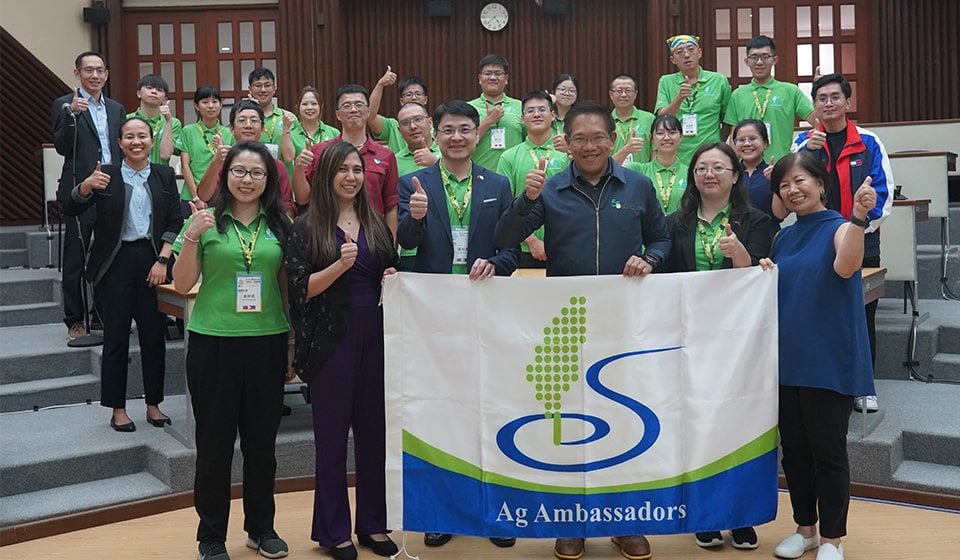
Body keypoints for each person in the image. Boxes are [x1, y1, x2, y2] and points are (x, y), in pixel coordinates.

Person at [495, 100, 669, 560]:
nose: (589, 146)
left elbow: (663, 238)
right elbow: (504, 237)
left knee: (626, 418)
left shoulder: (639, 185)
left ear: (612, 139)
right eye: (579, 138)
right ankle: (571, 519)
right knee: (570, 422)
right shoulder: (549, 189)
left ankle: (624, 520)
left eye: (597, 137)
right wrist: (526, 200)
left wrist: (650, 259)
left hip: (623, 325)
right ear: (565, 143)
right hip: (565, 324)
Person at [397, 100, 519, 549]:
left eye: (465, 129)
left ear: (476, 134)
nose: (456, 137)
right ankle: (440, 512)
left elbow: (512, 248)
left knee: (492, 408)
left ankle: (497, 512)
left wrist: (496, 264)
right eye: (447, 129)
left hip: (488, 309)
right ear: (434, 132)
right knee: (440, 411)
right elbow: (404, 247)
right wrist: (413, 218)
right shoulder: (414, 182)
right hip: (435, 316)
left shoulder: (498, 183)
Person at [172, 141, 294, 560]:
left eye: (256, 173)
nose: (247, 180)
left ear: (269, 180)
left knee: (262, 445)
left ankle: (261, 528)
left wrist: (291, 345)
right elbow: (184, 284)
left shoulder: (280, 224)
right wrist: (190, 238)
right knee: (215, 446)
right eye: (239, 171)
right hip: (213, 344)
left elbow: (285, 288)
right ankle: (211, 536)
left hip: (267, 342)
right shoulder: (206, 221)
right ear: (225, 176)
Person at [760, 151, 877, 560]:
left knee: (828, 452)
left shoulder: (841, 227)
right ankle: (805, 529)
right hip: (788, 360)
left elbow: (846, 266)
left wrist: (861, 218)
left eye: (799, 181)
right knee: (794, 452)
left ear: (821, 183)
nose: (792, 190)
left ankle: (832, 539)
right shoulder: (785, 235)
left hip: (828, 360)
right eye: (784, 185)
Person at [286, 141, 399, 560]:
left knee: (374, 435)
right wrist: (338, 266)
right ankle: (333, 531)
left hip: (377, 337)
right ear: (327, 174)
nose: (351, 177)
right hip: (332, 341)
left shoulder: (373, 222)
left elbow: (391, 270)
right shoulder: (307, 225)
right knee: (331, 439)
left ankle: (373, 523)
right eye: (343, 169)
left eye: (357, 169)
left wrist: (389, 273)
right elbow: (300, 291)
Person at [661, 142, 770, 548]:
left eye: (719, 167)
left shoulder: (756, 221)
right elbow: (666, 280)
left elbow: (762, 278)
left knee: (739, 425)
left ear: (736, 174)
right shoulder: (675, 223)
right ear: (692, 176)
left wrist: (740, 254)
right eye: (702, 167)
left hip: (740, 342)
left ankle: (741, 514)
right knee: (696, 424)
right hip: (688, 339)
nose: (710, 174)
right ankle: (704, 513)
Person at [63, 117, 182, 431]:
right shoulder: (107, 174)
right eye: (129, 137)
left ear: (151, 141)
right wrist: (85, 187)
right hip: (115, 263)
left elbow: (174, 220)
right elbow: (71, 209)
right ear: (119, 143)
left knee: (154, 338)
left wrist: (162, 260)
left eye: (142, 136)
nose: (136, 142)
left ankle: (153, 404)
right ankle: (117, 409)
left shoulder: (165, 174)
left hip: (153, 260)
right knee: (116, 338)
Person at [792, 73, 893, 413]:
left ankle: (864, 387)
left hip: (862, 242)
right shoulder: (803, 145)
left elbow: (883, 195)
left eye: (836, 97)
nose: (829, 103)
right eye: (822, 98)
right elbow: (791, 190)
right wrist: (807, 152)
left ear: (848, 102)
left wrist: (853, 230)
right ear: (814, 105)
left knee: (861, 315)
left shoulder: (868, 141)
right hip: (813, 246)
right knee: (821, 313)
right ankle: (828, 382)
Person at [51, 51, 125, 340]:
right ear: (77, 74)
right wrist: (73, 115)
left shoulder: (117, 109)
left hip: (111, 186)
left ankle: (100, 316)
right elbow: (61, 146)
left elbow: (117, 146)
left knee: (107, 254)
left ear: (106, 74)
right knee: (75, 257)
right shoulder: (64, 105)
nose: (94, 76)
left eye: (99, 70)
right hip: (79, 188)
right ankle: (74, 319)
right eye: (88, 70)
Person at [294, 84, 399, 241]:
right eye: (347, 106)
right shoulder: (320, 152)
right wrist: (299, 168)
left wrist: (390, 246)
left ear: (369, 111)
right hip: (326, 237)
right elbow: (303, 199)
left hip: (371, 238)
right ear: (338, 114)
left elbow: (391, 206)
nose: (353, 110)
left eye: (359, 104)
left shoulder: (386, 156)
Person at [496, 91, 568, 268]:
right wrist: (532, 241)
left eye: (542, 109)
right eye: (530, 111)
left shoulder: (568, 153)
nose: (536, 114)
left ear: (552, 116)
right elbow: (505, 205)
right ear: (522, 119)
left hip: (564, 245)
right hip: (523, 248)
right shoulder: (509, 157)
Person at [196, 100, 296, 217]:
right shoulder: (222, 163)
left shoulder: (277, 166)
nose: (248, 125)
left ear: (262, 129)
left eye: (254, 121)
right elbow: (204, 196)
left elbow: (286, 207)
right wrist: (215, 162)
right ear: (231, 129)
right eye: (242, 120)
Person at [724, 35, 815, 162]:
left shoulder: (790, 91)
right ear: (746, 61)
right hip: (747, 171)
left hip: (781, 167)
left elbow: (817, 121)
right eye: (754, 57)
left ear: (775, 60)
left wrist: (820, 91)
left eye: (765, 56)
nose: (759, 62)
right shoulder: (737, 95)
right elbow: (734, 139)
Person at [655, 35, 732, 165]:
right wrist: (680, 97)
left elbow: (728, 119)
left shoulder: (719, 80)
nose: (686, 55)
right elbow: (662, 118)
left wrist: (719, 142)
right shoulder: (666, 81)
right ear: (673, 59)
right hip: (677, 155)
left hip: (710, 154)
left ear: (700, 52)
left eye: (691, 49)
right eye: (679, 52)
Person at [176, 85, 235, 217]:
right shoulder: (188, 131)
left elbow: (231, 166)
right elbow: (185, 166)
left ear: (220, 105)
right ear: (197, 106)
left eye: (215, 102)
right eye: (205, 102)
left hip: (221, 196)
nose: (210, 106)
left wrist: (222, 148)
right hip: (191, 195)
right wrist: (196, 197)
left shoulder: (229, 133)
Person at [468, 54, 525, 171]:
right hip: (478, 175)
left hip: (513, 176)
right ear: (479, 79)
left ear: (506, 79)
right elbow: (463, 142)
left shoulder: (521, 106)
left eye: (498, 74)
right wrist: (488, 121)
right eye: (488, 73)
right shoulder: (468, 108)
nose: (493, 77)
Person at [624, 114, 688, 214]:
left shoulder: (690, 172)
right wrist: (625, 150)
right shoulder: (639, 170)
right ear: (651, 139)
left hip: (682, 228)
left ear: (681, 137)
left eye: (672, 132)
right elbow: (607, 169)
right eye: (660, 133)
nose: (666, 137)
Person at [366, 66, 433, 154]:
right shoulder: (392, 126)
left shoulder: (439, 128)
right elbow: (370, 115)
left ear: (425, 99)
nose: (413, 97)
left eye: (418, 94)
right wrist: (380, 84)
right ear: (401, 101)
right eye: (409, 94)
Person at [282, 86, 339, 180]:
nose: (309, 108)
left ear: (321, 106)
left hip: (328, 188)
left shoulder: (334, 133)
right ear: (297, 108)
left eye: (314, 103)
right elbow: (288, 158)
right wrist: (285, 128)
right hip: (299, 187)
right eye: (304, 104)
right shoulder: (291, 134)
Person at [126, 74, 182, 165]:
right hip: (131, 173)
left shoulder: (173, 123)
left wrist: (168, 121)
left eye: (159, 90)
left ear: (165, 98)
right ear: (139, 93)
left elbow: (166, 155)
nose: (154, 92)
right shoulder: (127, 120)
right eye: (149, 88)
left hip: (160, 174)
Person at [246, 67, 297, 165]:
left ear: (274, 89)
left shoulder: (288, 118)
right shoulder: (245, 118)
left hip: (283, 177)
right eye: (258, 85)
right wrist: (252, 110)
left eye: (267, 85)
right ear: (250, 89)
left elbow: (291, 156)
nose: (263, 90)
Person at [733, 119, 779, 223]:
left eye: (753, 138)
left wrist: (777, 182)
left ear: (765, 143)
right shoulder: (729, 173)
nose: (746, 144)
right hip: (733, 233)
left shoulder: (774, 173)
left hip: (767, 234)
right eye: (741, 140)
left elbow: (780, 215)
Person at [609, 74, 656, 165]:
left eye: (628, 91)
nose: (623, 95)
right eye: (619, 91)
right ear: (611, 94)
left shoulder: (649, 119)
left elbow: (655, 152)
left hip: (641, 176)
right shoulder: (604, 121)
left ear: (635, 94)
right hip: (613, 176)